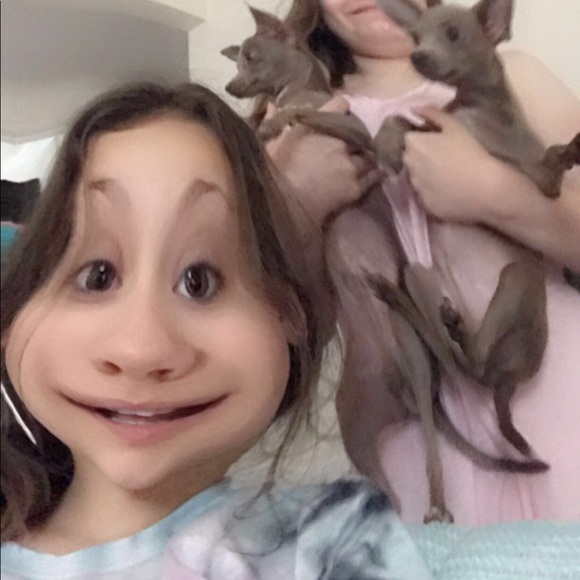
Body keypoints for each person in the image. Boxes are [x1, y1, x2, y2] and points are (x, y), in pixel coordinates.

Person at [0, 82, 434, 579]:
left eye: (199, 282)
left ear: (289, 315)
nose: (142, 349)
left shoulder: (334, 541)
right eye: (97, 277)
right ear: (11, 318)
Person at [261, 0, 580, 526]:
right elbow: (272, 330)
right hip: (412, 449)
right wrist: (296, 205)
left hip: (561, 405)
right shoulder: (292, 118)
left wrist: (495, 193)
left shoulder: (512, 77)